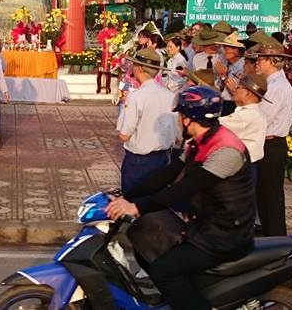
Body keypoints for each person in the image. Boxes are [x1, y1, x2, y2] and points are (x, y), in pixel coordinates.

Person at [107, 86, 256, 310]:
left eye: (180, 115)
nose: (178, 120)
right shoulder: (199, 142)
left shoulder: (226, 150)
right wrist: (124, 195)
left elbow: (182, 189)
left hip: (225, 234)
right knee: (145, 240)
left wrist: (136, 207)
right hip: (206, 225)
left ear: (188, 119)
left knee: (163, 270)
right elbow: (166, 175)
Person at [117, 49, 178, 196]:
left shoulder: (136, 97)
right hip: (164, 158)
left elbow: (124, 135)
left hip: (139, 161)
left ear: (138, 69)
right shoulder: (170, 96)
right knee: (155, 202)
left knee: (133, 202)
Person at [251, 33, 292, 236]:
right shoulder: (272, 83)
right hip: (266, 143)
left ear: (271, 61)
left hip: (272, 144)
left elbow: (262, 117)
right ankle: (270, 233)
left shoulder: (277, 86)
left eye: (260, 59)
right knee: (264, 194)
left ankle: (276, 236)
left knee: (271, 195)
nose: (257, 63)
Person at [219, 74, 269, 163]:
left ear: (248, 94)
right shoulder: (256, 112)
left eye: (238, 87)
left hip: (241, 165)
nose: (234, 89)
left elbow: (214, 125)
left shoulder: (246, 115)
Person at [214, 32, 247, 116]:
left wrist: (223, 76)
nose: (224, 52)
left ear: (236, 51)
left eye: (226, 49)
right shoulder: (229, 64)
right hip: (226, 102)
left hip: (234, 105)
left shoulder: (243, 66)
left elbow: (235, 91)